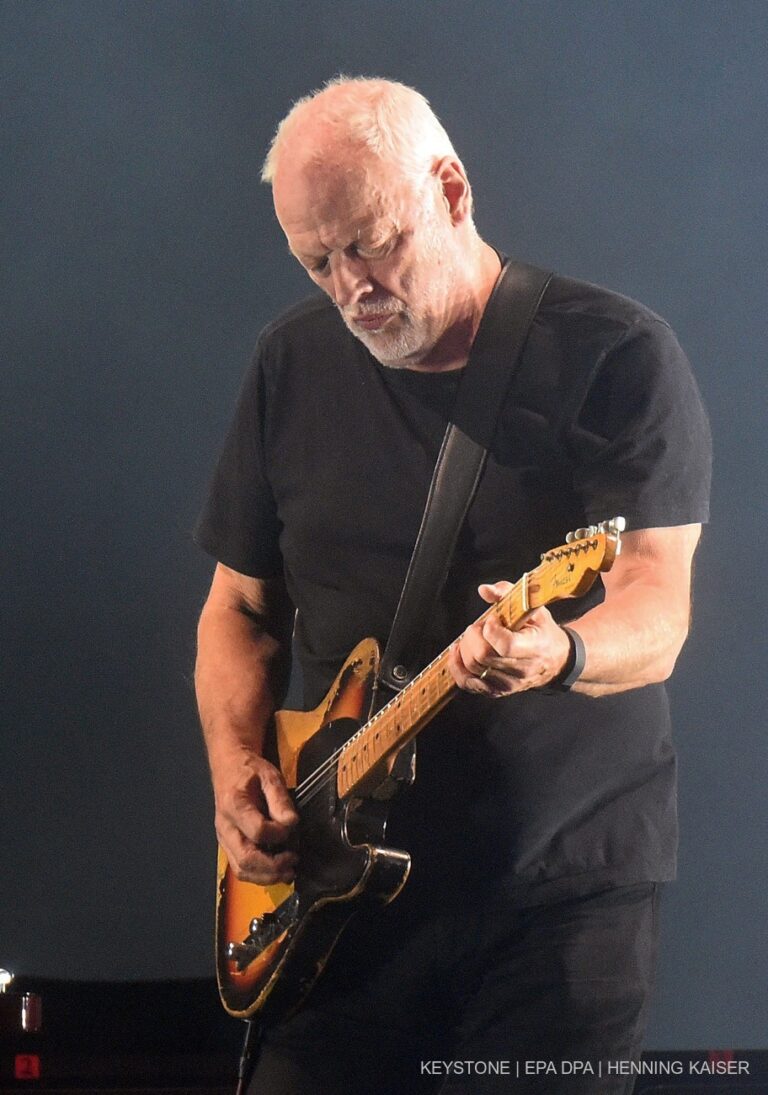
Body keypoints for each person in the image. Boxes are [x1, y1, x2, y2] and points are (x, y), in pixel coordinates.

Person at [194, 77, 711, 1094]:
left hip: (551, 896)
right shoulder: (289, 365)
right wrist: (234, 769)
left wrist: (559, 651)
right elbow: (238, 610)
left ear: (451, 188)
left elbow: (660, 605)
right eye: (318, 260)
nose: (352, 288)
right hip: (334, 900)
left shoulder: (616, 357)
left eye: (372, 242)